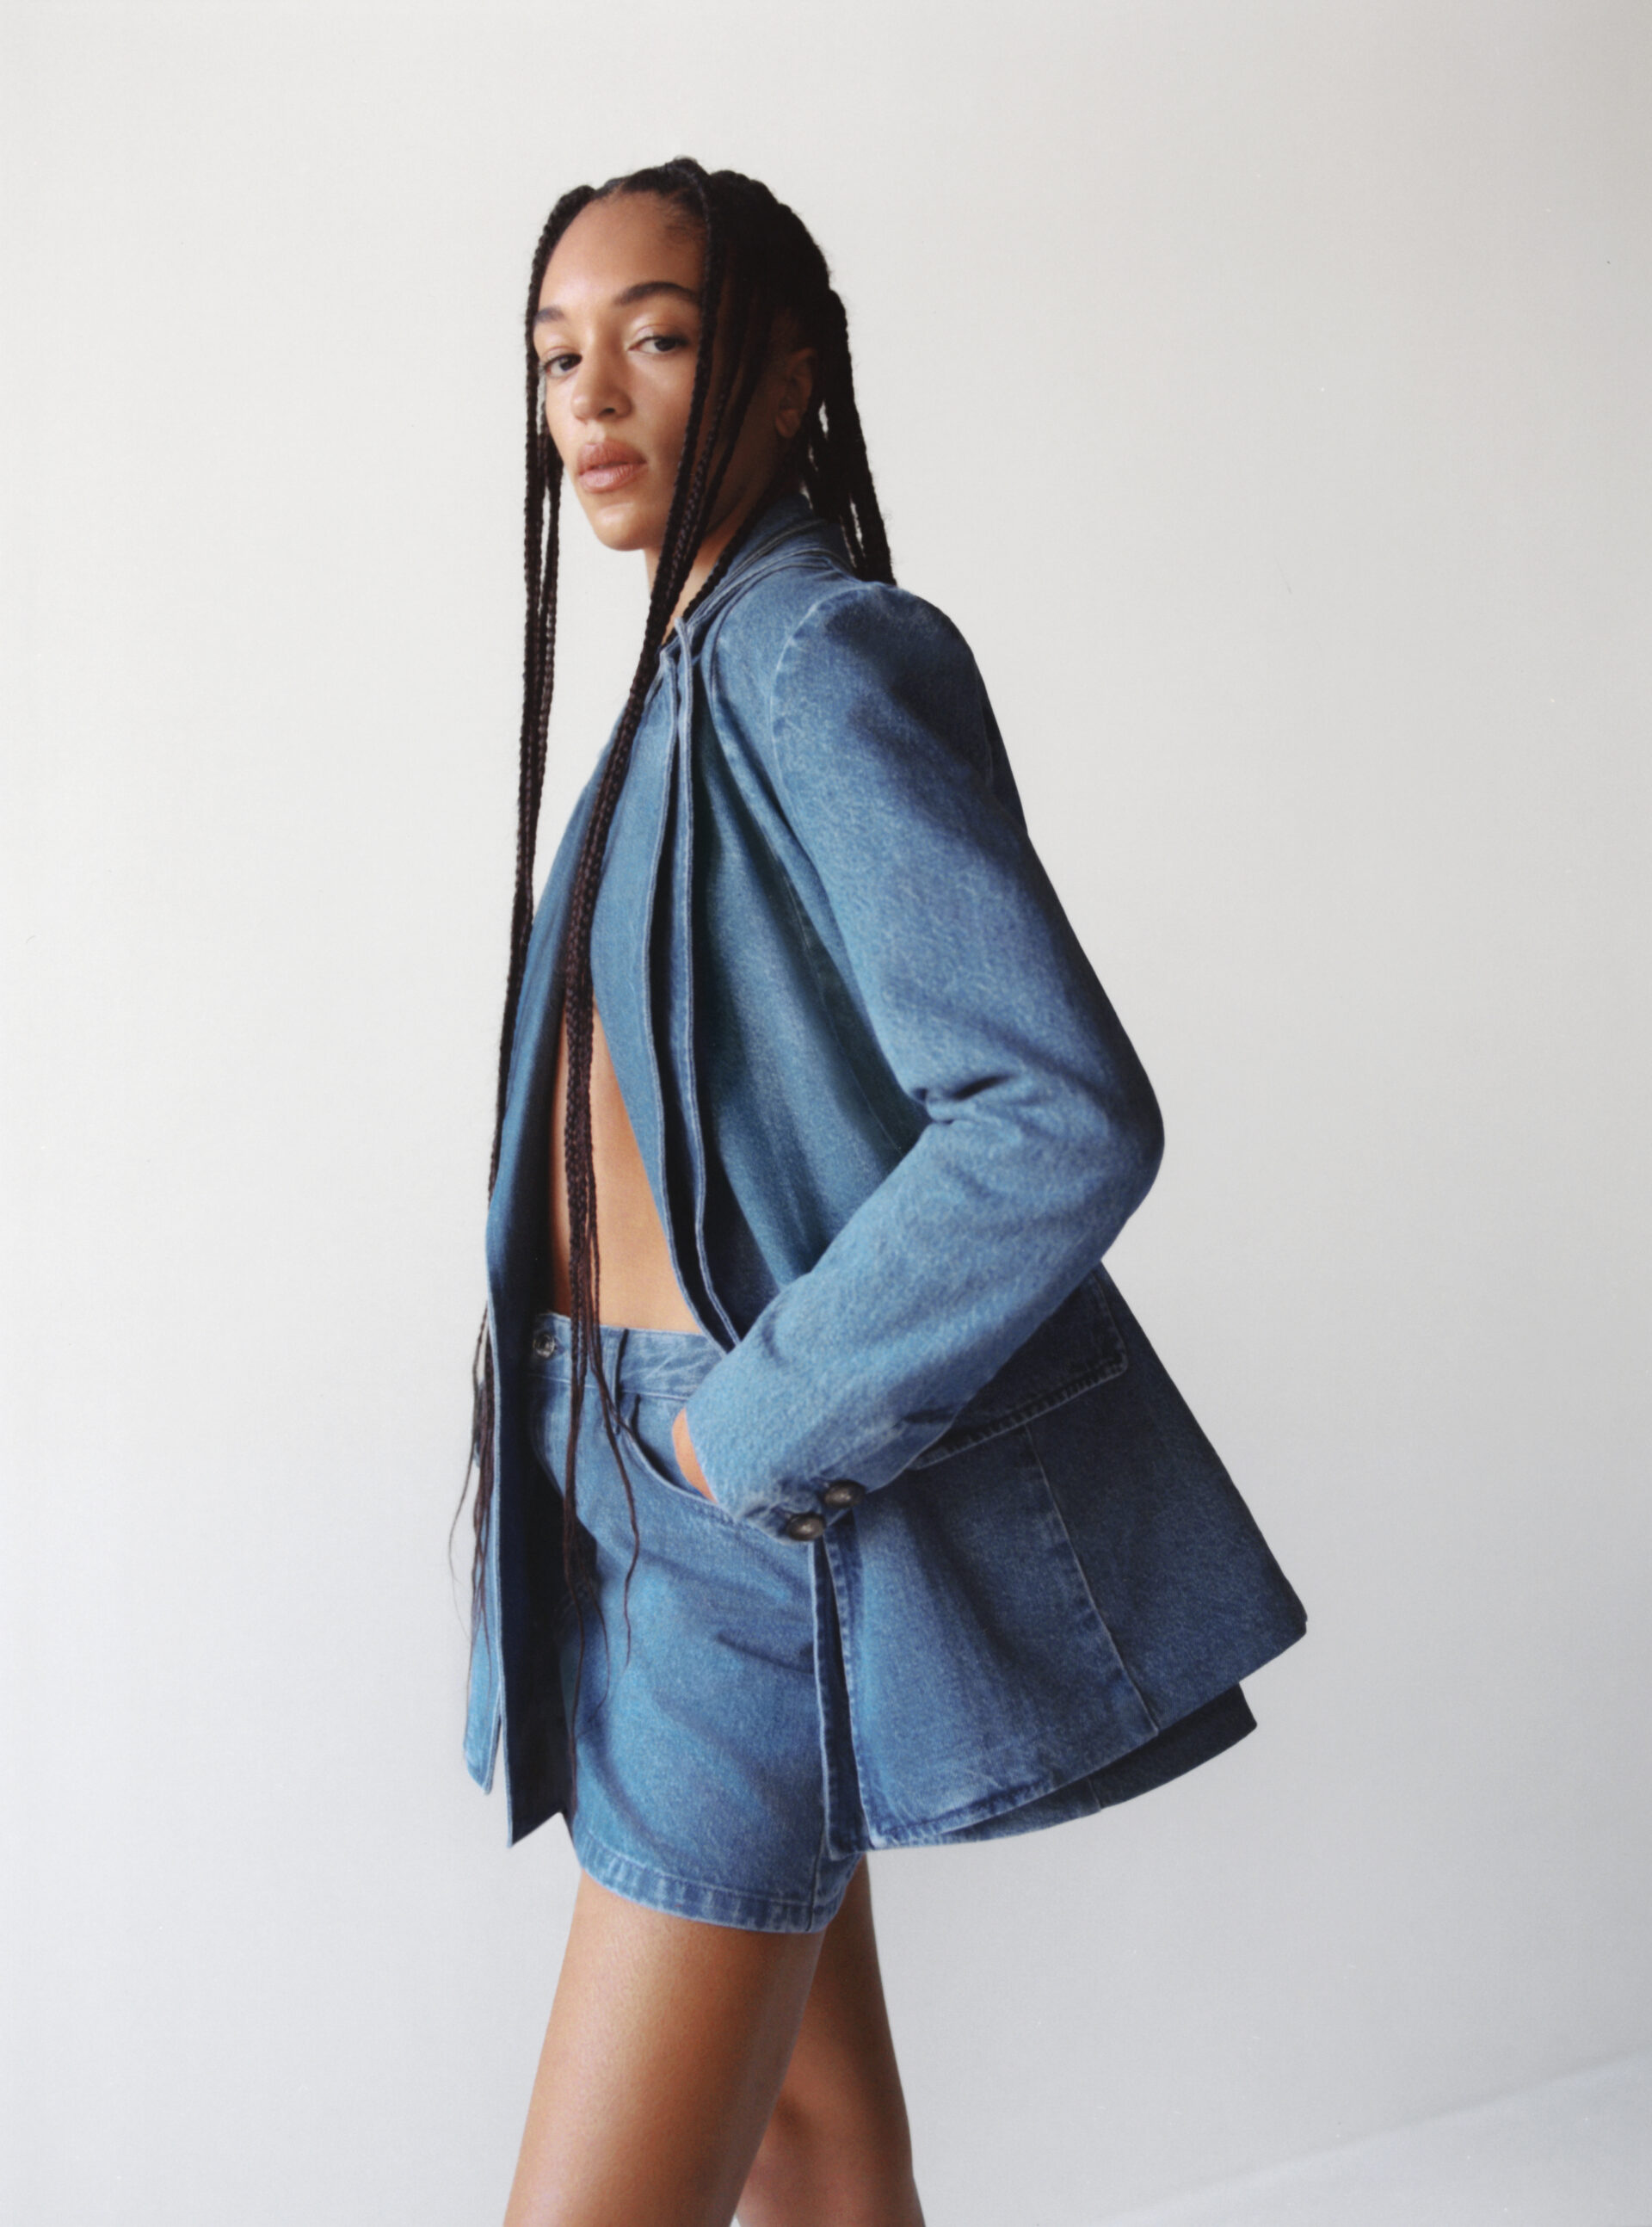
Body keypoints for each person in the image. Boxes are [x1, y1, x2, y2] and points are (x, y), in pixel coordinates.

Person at [457, 157, 1307, 2227]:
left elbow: (1054, 1110)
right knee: (816, 2149)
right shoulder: (682, 675)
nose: (592, 398)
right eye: (557, 356)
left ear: (787, 374)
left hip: (726, 1511)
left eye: (657, 337)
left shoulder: (812, 657)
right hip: (621, 1478)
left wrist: (744, 1433)